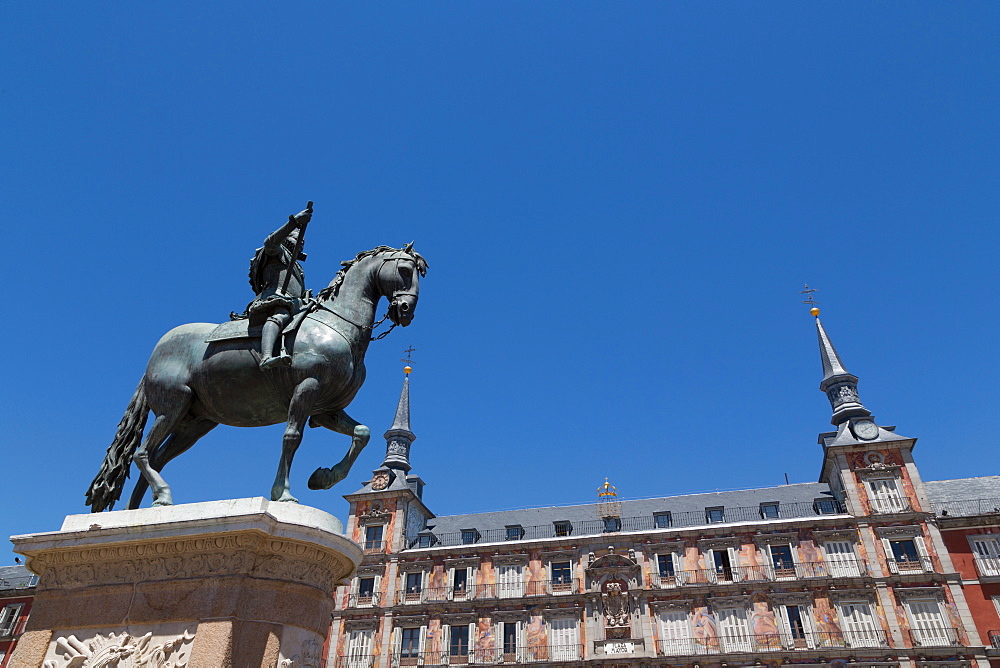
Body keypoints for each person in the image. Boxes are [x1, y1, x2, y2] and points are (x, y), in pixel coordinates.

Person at [245, 204, 312, 369]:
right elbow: (270, 243)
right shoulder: (278, 252)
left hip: (294, 304)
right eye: (297, 239)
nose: (301, 242)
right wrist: (295, 223)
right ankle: (266, 356)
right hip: (274, 299)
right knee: (280, 314)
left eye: (302, 241)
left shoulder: (297, 267)